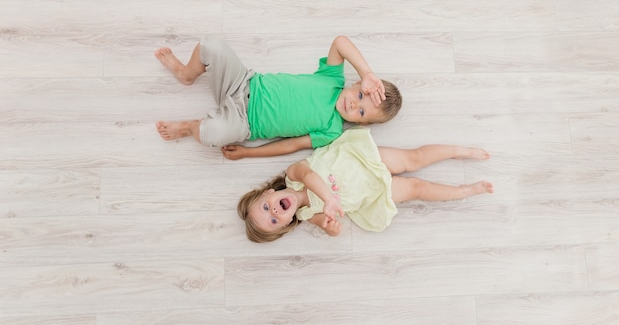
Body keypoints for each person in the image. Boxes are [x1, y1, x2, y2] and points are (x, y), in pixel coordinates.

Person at [154, 35, 402, 159]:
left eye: (361, 111)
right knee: (211, 44)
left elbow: (292, 145)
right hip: (243, 82)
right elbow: (340, 42)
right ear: (357, 82)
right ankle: (185, 74)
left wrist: (250, 153)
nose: (353, 104)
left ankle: (190, 127)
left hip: (244, 123)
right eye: (360, 95)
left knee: (211, 134)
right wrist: (368, 72)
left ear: (362, 123)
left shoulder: (332, 129)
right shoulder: (332, 79)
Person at [238, 127, 494, 242]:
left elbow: (310, 178)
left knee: (412, 158)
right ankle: (465, 191)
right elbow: (329, 227)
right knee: (416, 188)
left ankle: (460, 150)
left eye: (265, 208)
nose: (274, 212)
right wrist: (332, 228)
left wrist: (328, 199)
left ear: (269, 192)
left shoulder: (294, 175)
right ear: (285, 224)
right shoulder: (305, 215)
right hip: (371, 192)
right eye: (274, 221)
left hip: (362, 159)